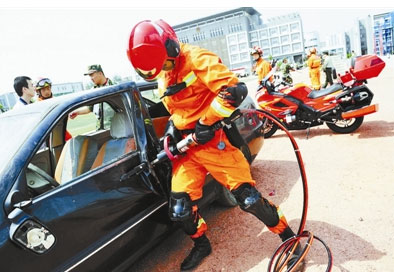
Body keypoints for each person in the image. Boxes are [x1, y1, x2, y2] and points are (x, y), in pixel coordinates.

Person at [127, 19, 301, 271]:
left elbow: (234, 90)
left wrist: (206, 123)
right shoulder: (162, 72)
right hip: (188, 149)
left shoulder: (198, 59)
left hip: (214, 143)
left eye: (165, 63)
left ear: (171, 47)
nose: (164, 69)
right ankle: (201, 245)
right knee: (180, 208)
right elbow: (174, 108)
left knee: (248, 199)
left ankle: (288, 237)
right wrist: (171, 131)